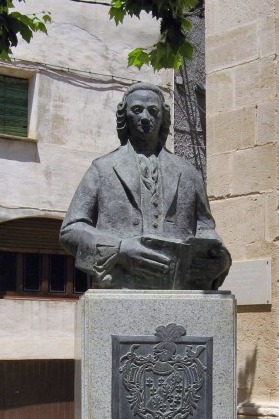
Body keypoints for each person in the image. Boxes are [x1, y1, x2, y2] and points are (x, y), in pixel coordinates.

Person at [60, 82, 231, 290]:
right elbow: (70, 230)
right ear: (125, 116)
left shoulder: (188, 173)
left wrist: (221, 261)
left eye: (152, 111)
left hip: (179, 289)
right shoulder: (102, 169)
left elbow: (207, 230)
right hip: (120, 286)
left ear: (162, 117)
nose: (144, 117)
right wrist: (120, 249)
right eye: (137, 110)